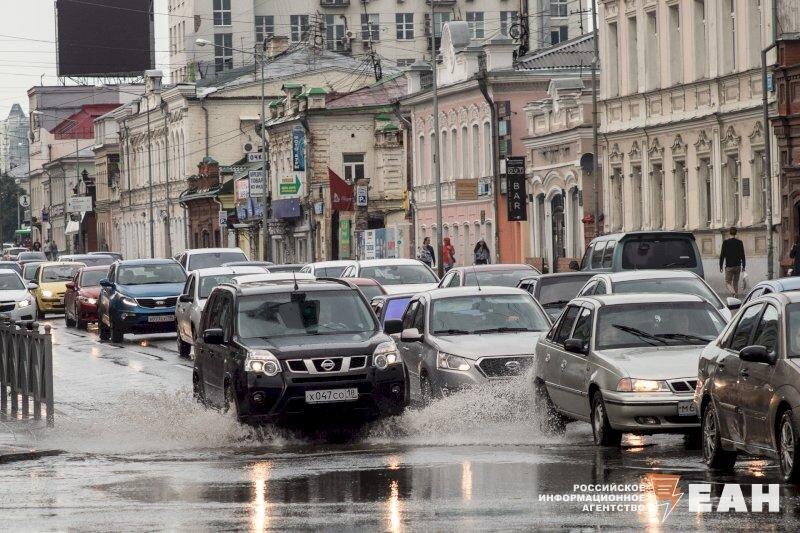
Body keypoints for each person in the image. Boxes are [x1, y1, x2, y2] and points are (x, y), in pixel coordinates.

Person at [719, 227, 745, 298]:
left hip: (729, 266)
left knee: (727, 283)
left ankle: (733, 293)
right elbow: (743, 255)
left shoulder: (725, 242)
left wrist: (720, 266)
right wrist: (744, 266)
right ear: (736, 233)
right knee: (735, 283)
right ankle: (736, 298)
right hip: (738, 266)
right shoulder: (740, 242)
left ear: (729, 233)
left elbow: (722, 255)